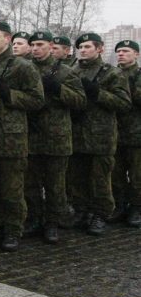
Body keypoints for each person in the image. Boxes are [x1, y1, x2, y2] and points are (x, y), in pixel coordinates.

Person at [0, 21, 44, 251]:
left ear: (8, 39)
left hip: (11, 138)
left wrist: (10, 94)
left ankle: (14, 231)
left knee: (12, 189)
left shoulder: (22, 66)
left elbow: (37, 100)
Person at [25, 30, 85, 243]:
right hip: (31, 135)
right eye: (32, 45)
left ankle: (52, 223)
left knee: (55, 184)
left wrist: (59, 90)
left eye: (40, 44)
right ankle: (34, 219)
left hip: (57, 136)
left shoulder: (66, 72)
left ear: (51, 46)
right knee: (30, 182)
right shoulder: (24, 68)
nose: (35, 48)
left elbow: (80, 101)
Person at [69, 33, 131, 235]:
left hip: (101, 136)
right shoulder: (72, 70)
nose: (83, 50)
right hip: (76, 134)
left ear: (100, 49)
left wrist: (98, 93)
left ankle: (100, 214)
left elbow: (123, 103)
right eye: (81, 47)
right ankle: (81, 210)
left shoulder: (112, 73)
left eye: (88, 46)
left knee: (101, 180)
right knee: (77, 178)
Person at [113, 39, 141, 227]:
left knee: (138, 175)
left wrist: (127, 88)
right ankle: (120, 205)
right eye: (119, 51)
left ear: (136, 54)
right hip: (115, 133)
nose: (121, 54)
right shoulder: (112, 74)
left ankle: (137, 207)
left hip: (137, 133)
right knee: (116, 174)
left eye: (125, 51)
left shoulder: (138, 75)